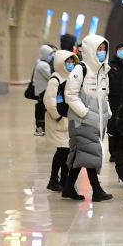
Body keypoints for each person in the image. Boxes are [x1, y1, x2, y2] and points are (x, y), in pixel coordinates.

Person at [62, 35, 113, 202]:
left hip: (97, 120)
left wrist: (108, 111)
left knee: (82, 153)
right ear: (90, 50)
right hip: (81, 120)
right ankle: (96, 190)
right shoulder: (80, 69)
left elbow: (104, 95)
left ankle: (68, 188)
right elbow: (70, 95)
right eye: (98, 49)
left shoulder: (104, 70)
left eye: (103, 49)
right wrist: (85, 113)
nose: (101, 52)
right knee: (92, 152)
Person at [43, 50, 79, 192]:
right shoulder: (55, 79)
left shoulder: (71, 77)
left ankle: (64, 180)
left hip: (68, 119)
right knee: (62, 151)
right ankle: (53, 180)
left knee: (67, 151)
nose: (70, 64)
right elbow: (49, 100)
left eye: (72, 61)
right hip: (58, 120)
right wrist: (58, 116)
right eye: (67, 62)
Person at [32, 45, 54, 136]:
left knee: (41, 109)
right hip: (42, 91)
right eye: (50, 54)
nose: (51, 56)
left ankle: (41, 127)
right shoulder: (43, 65)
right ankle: (40, 128)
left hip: (41, 90)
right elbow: (50, 77)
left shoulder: (39, 63)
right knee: (41, 110)